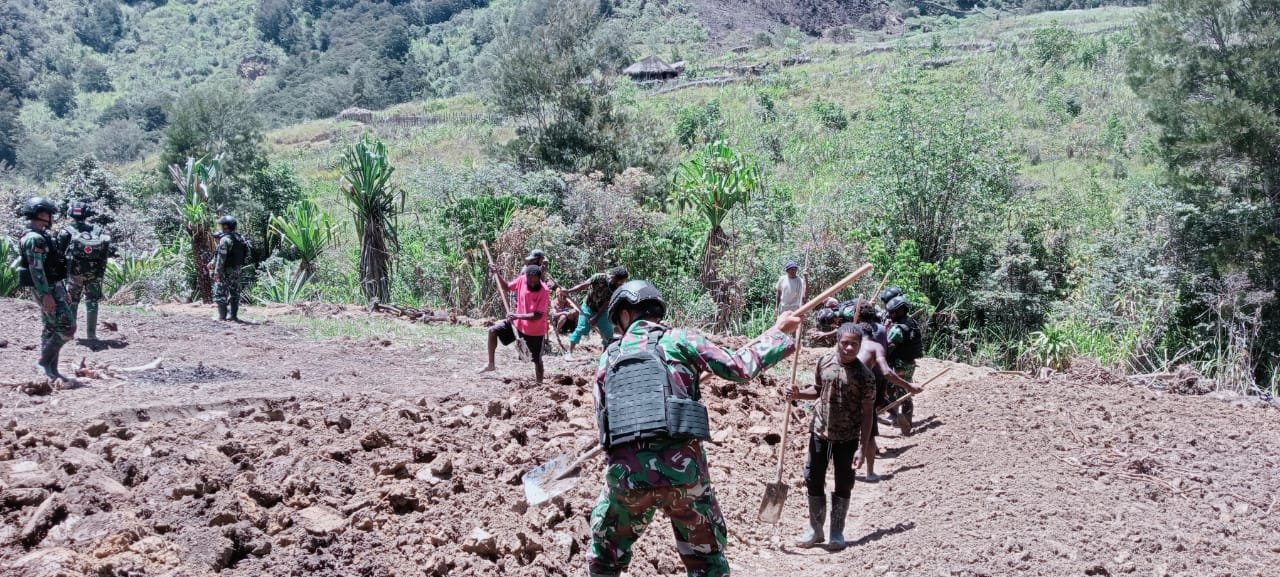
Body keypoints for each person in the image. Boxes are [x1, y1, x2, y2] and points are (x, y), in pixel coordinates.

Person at [589, 280, 801, 577]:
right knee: (706, 563)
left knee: (604, 557)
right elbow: (739, 367)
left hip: (627, 478)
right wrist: (778, 333)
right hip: (684, 476)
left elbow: (603, 417)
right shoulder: (680, 340)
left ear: (624, 314)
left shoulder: (608, 358)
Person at [786, 323, 875, 551]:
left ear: (859, 345)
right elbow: (817, 389)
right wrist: (797, 394)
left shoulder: (865, 376)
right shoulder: (824, 361)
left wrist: (862, 448)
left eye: (854, 344)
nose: (849, 348)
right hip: (820, 433)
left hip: (847, 438)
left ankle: (837, 531)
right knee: (813, 479)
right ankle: (815, 529)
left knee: (843, 483)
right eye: (844, 343)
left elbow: (867, 414)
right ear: (837, 341)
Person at [15, 197, 77, 383]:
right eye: (49, 214)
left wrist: (62, 289)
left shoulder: (41, 236)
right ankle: (43, 363)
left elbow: (53, 267)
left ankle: (52, 371)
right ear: (41, 214)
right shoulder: (34, 239)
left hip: (53, 287)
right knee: (68, 328)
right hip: (46, 289)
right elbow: (36, 269)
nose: (51, 218)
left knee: (51, 327)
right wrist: (46, 295)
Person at [855, 322, 921, 480]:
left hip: (845, 391)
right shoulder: (875, 346)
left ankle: (841, 471)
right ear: (872, 334)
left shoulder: (848, 345)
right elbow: (886, 372)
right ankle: (870, 473)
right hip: (863, 393)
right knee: (869, 432)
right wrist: (908, 386)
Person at [481, 264, 549, 383]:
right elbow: (507, 287)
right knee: (492, 331)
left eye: (535, 281)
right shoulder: (522, 279)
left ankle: (540, 384)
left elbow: (538, 315)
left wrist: (517, 315)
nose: (532, 283)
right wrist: (497, 273)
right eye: (530, 281)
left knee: (537, 360)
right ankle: (491, 364)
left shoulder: (544, 290)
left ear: (539, 278)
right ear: (526, 277)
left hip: (535, 331)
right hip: (517, 325)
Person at [58, 201, 113, 340]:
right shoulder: (98, 231)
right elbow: (105, 253)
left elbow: (59, 255)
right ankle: (91, 334)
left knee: (72, 301)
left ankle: (69, 333)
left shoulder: (66, 231)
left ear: (71, 213)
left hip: (74, 274)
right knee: (92, 301)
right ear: (87, 214)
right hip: (94, 273)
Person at [565, 267, 629, 358]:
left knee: (608, 332)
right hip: (588, 306)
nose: (619, 282)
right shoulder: (599, 277)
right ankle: (569, 352)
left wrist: (596, 317)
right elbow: (584, 285)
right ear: (614, 276)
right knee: (581, 328)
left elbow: (606, 304)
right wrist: (569, 291)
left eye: (621, 281)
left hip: (602, 311)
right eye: (618, 280)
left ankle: (604, 355)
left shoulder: (617, 288)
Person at [884, 295, 925, 435]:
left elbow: (887, 347)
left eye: (892, 312)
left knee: (903, 391)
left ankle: (907, 422)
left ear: (900, 311)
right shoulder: (910, 321)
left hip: (901, 365)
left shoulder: (898, 329)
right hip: (908, 362)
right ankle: (896, 414)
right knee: (895, 388)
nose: (890, 315)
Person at [209, 215, 249, 322]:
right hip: (236, 270)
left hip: (225, 270)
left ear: (226, 226)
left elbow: (222, 257)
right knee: (235, 292)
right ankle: (233, 316)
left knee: (220, 293)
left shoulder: (225, 239)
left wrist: (217, 272)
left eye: (222, 226)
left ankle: (222, 317)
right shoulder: (239, 238)